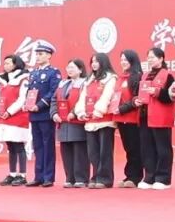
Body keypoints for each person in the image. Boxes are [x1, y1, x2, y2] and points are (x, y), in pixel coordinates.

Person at [76, 52, 118, 189]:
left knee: (105, 152)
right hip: (90, 121)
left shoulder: (111, 78)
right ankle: (95, 176)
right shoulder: (89, 80)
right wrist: (81, 112)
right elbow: (82, 97)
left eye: (97, 61)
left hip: (104, 120)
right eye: (92, 61)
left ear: (103, 62)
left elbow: (107, 96)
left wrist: (98, 111)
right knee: (93, 152)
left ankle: (105, 178)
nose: (94, 64)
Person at [137, 47, 175, 190]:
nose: (150, 60)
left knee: (162, 148)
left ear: (161, 58)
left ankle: (163, 178)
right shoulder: (145, 75)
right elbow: (138, 93)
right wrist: (136, 100)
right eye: (148, 57)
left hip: (161, 117)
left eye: (153, 57)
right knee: (147, 148)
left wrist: (158, 92)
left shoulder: (168, 76)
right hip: (144, 116)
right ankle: (149, 176)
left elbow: (171, 97)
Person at [25, 40, 61, 188]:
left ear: (49, 55)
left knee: (48, 146)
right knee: (38, 146)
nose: (38, 57)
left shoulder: (53, 72)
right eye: (37, 54)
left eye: (41, 54)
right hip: (33, 115)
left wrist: (39, 105)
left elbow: (53, 92)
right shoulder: (33, 73)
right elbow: (30, 92)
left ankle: (48, 177)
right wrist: (27, 104)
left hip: (45, 114)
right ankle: (38, 176)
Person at [0, 54, 31, 186]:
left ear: (16, 64)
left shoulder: (23, 78)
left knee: (19, 146)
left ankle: (22, 175)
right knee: (10, 146)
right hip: (4, 116)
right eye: (5, 63)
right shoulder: (2, 79)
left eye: (9, 63)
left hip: (17, 116)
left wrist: (9, 111)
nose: (6, 65)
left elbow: (22, 99)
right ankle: (12, 173)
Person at [53, 58, 89, 188]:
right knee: (66, 151)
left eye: (73, 67)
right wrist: (54, 113)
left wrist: (74, 112)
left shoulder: (85, 83)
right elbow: (54, 100)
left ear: (80, 69)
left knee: (80, 151)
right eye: (68, 67)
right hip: (63, 123)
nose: (69, 70)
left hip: (77, 122)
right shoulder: (63, 83)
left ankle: (81, 178)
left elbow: (84, 100)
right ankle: (69, 177)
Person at [112, 49, 144, 188]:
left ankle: (135, 177)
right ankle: (129, 175)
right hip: (121, 118)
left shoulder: (137, 76)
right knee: (128, 149)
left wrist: (122, 109)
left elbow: (137, 98)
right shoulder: (120, 78)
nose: (123, 62)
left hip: (132, 118)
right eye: (121, 59)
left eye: (126, 59)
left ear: (132, 60)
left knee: (135, 148)